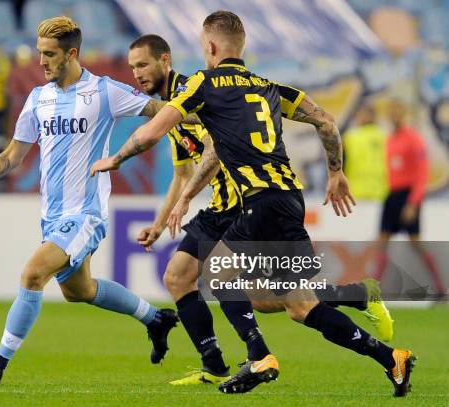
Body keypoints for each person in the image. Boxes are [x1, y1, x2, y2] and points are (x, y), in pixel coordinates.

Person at [92, 11, 415, 397]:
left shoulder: (203, 84)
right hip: (287, 200)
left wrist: (117, 158)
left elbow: (152, 131)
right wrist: (336, 172)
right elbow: (326, 122)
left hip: (257, 202)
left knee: (216, 275)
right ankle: (390, 357)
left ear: (210, 47)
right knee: (295, 306)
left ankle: (258, 355)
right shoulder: (269, 87)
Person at [0, 16, 180, 386]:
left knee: (32, 274)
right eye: (39, 54)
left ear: (71, 54)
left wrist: (208, 113)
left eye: (49, 54)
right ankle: (155, 319)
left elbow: (164, 112)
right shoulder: (39, 98)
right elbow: (10, 158)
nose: (41, 62)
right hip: (51, 217)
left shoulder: (105, 91)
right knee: (80, 291)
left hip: (86, 214)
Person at [375, 99, 445, 298]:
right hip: (392, 195)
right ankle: (373, 290)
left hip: (408, 195)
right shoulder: (389, 140)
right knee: (381, 241)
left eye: (398, 110)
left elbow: (422, 174)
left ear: (404, 113)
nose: (394, 115)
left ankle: (440, 288)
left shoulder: (414, 139)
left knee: (415, 242)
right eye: (391, 111)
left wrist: (413, 203)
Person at [343, 103, 388, 201]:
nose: (363, 117)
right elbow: (342, 161)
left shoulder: (382, 135)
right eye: (360, 114)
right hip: (354, 189)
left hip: (380, 190)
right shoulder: (349, 136)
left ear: (373, 115)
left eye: (366, 114)